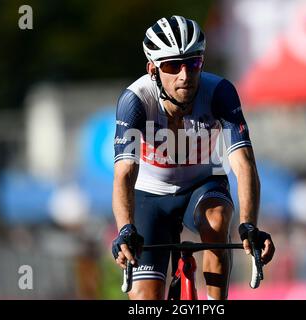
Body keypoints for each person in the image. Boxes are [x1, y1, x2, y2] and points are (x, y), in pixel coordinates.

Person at [111, 15, 275, 300]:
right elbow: (125, 174)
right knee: (145, 299)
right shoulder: (135, 101)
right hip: (150, 196)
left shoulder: (219, 92)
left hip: (203, 185)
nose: (185, 75)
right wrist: (126, 229)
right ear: (153, 69)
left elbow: (244, 164)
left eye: (193, 63)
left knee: (217, 219)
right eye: (173, 66)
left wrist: (249, 225)